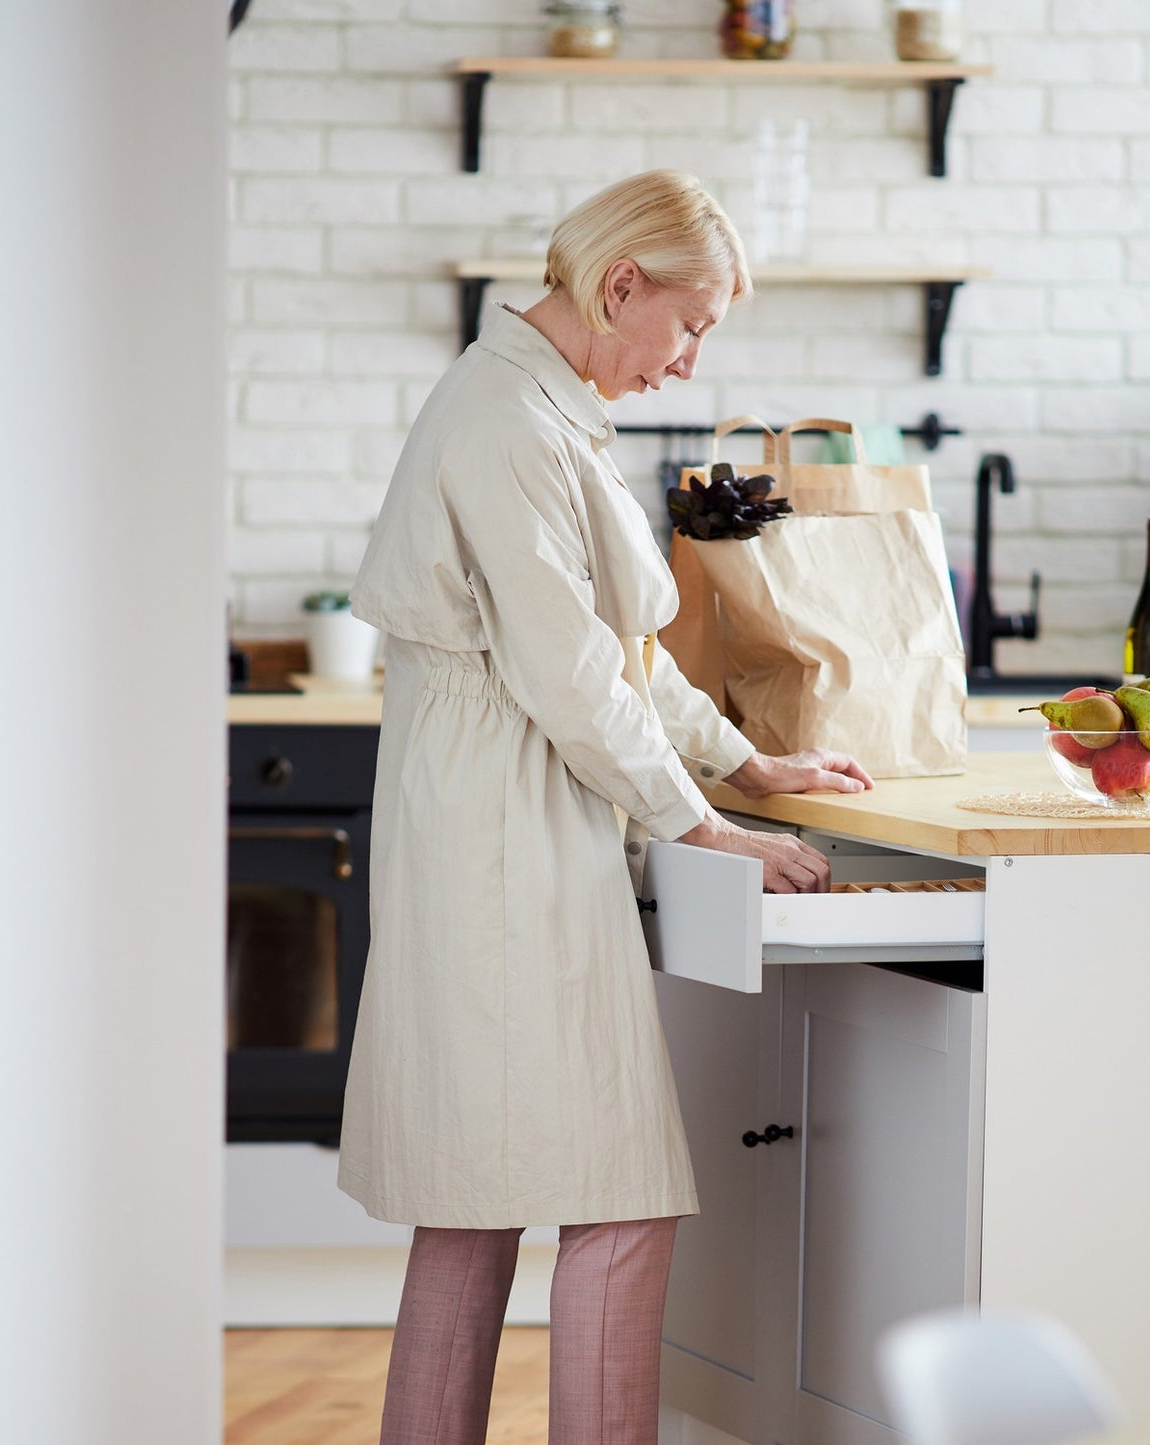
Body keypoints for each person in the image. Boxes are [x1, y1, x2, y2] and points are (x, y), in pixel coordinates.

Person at [339, 169, 872, 1445]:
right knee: (618, 1201)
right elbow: (572, 675)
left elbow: (615, 653)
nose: (688, 364)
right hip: (506, 836)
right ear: (618, 284)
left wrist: (743, 764)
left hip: (498, 816)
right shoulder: (510, 423)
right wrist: (708, 825)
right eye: (689, 326)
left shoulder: (535, 403)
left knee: (470, 1208)